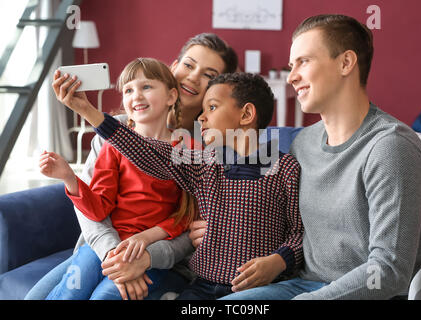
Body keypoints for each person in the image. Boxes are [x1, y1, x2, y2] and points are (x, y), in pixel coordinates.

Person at [217, 14, 421, 300]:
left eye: (304, 62)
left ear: (346, 63)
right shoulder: (303, 143)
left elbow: (389, 270)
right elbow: (278, 220)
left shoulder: (391, 147)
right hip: (300, 285)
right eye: (291, 65)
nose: (292, 76)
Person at [51, 71, 304, 300]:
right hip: (202, 286)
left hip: (258, 289)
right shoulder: (203, 163)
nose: (202, 117)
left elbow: (299, 233)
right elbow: (145, 150)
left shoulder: (286, 169)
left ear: (246, 114)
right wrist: (87, 111)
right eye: (203, 109)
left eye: (212, 107)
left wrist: (279, 261)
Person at [24, 33, 238, 300]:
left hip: (164, 258)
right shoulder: (117, 131)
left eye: (208, 74)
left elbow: (191, 220)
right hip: (105, 249)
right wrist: (117, 256)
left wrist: (144, 255)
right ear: (173, 68)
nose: (193, 77)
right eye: (189, 65)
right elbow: (95, 208)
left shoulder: (208, 147)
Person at [39, 58, 197, 300]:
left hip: (152, 252)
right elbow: (99, 207)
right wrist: (69, 178)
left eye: (146, 87)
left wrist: (145, 239)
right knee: (69, 293)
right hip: (105, 248)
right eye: (128, 90)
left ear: (171, 96)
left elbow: (187, 213)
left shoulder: (188, 150)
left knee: (105, 297)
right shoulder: (113, 147)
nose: (136, 96)